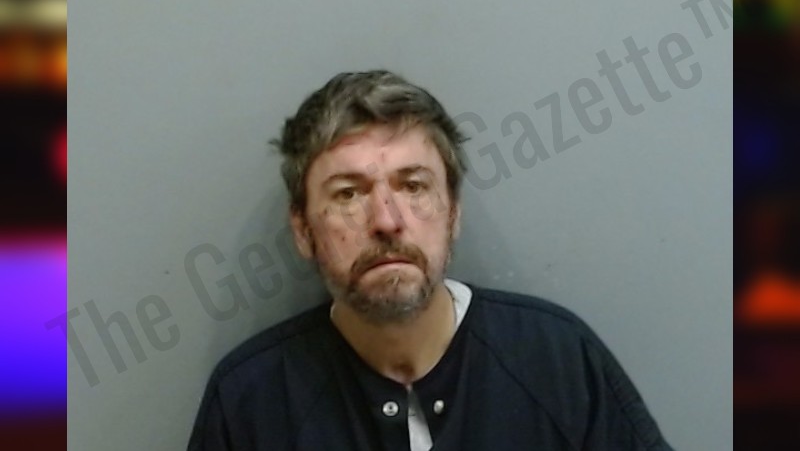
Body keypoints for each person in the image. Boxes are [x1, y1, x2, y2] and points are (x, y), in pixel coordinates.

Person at [187, 70, 673, 450]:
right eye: (349, 194)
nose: (386, 220)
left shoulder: (558, 362)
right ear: (303, 231)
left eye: (413, 186)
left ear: (453, 212)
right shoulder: (250, 401)